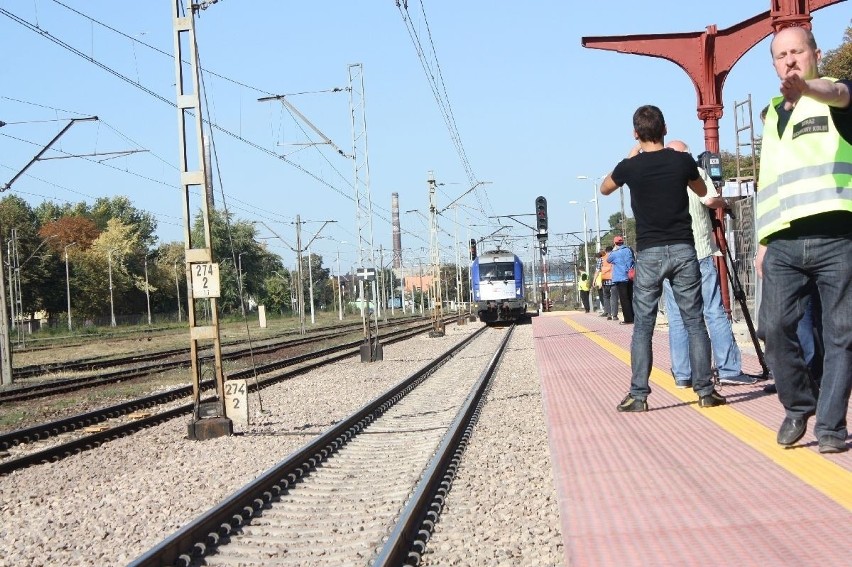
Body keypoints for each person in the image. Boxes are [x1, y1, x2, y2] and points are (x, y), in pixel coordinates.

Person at [754, 26, 852, 453]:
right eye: (781, 55)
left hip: (838, 235)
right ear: (774, 64)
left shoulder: (833, 94)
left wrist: (809, 87)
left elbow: (838, 92)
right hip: (785, 242)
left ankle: (830, 428)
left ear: (815, 52)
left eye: (797, 51)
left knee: (841, 334)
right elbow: (768, 179)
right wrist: (762, 240)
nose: (790, 60)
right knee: (772, 328)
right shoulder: (773, 114)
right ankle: (798, 404)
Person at [600, 104, 726, 412]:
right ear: (665, 129)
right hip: (684, 250)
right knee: (694, 320)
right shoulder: (681, 161)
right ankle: (705, 391)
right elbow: (699, 189)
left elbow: (604, 188)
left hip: (651, 254)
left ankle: (639, 395)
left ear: (635, 133)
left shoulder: (630, 167)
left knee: (643, 325)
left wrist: (630, 158)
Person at [662, 140, 758, 388]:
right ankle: (728, 368)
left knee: (677, 317)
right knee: (713, 311)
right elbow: (709, 200)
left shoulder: (657, 176)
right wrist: (723, 203)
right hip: (699, 252)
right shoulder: (693, 170)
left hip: (667, 257)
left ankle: (683, 374)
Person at [607, 235, 635, 324]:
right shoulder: (629, 250)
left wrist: (614, 249)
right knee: (630, 297)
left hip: (621, 278)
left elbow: (608, 260)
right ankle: (633, 317)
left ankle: (628, 319)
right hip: (630, 277)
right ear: (623, 242)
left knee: (624, 299)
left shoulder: (615, 253)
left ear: (615, 243)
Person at [599, 247, 617, 320]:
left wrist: (595, 281)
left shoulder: (602, 259)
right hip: (614, 279)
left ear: (606, 251)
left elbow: (598, 270)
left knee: (606, 297)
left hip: (605, 280)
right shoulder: (615, 257)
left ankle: (609, 314)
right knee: (614, 298)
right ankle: (615, 315)